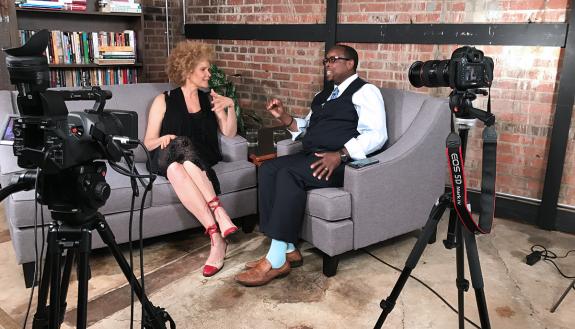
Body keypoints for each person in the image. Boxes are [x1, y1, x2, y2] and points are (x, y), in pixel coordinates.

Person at [234, 44, 388, 286]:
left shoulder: (366, 92)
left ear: (350, 64)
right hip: (312, 155)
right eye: (325, 60)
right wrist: (283, 117)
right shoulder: (323, 95)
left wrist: (341, 154)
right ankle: (287, 248)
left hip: (339, 163)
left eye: (333, 59)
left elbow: (377, 135)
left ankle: (275, 261)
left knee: (287, 174)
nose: (327, 64)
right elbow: (305, 128)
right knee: (267, 169)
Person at [144, 41, 238, 277]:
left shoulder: (210, 99)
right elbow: (148, 143)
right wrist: (165, 138)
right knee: (181, 144)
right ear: (187, 71)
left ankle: (215, 238)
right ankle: (219, 212)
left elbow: (229, 133)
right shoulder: (163, 100)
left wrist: (231, 107)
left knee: (179, 168)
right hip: (165, 154)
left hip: (199, 159)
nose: (209, 74)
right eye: (204, 70)